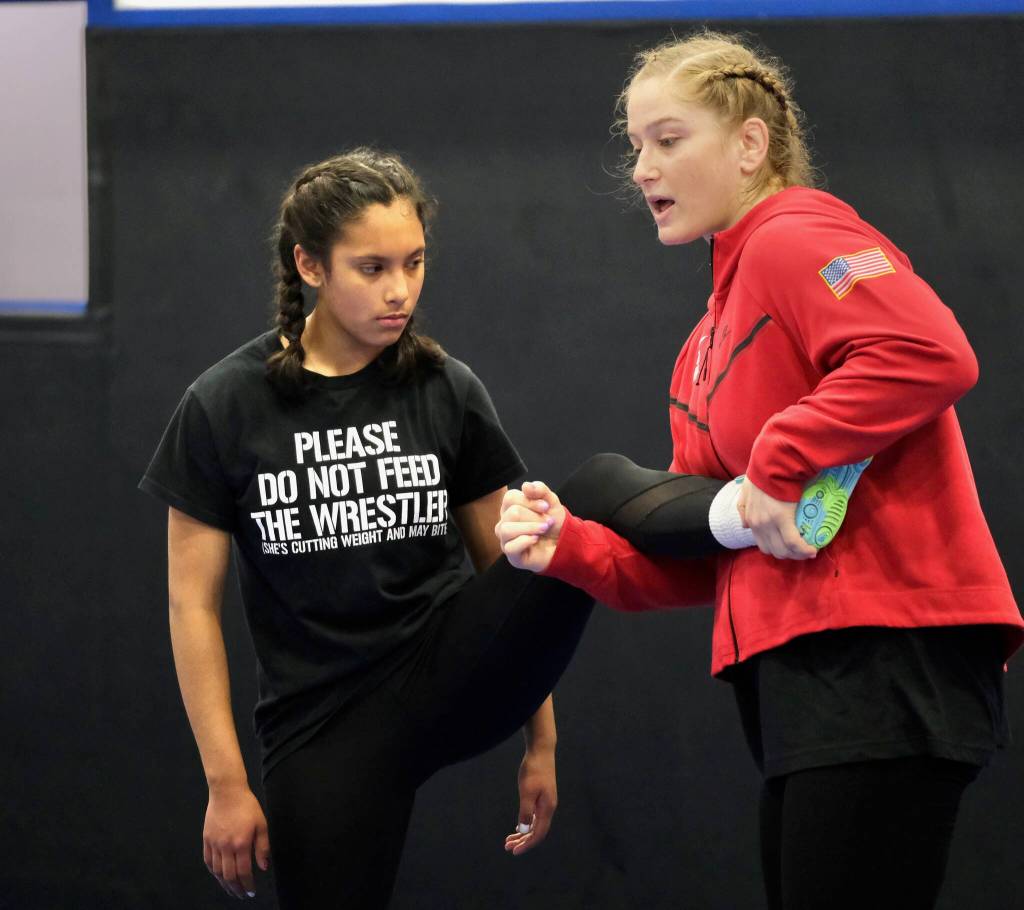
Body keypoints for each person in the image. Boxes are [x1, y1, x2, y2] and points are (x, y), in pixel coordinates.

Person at [140, 148, 790, 908]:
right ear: (310, 266)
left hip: (449, 672)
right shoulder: (223, 404)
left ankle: (750, 511)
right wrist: (224, 784)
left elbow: (516, 561)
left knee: (582, 494)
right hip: (324, 724)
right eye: (372, 268)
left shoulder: (444, 387)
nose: (401, 291)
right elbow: (191, 609)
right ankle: (746, 514)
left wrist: (540, 741)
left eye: (414, 263)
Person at [495, 31, 1024, 910]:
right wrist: (568, 551)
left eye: (669, 139)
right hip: (799, 681)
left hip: (884, 655)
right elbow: (706, 550)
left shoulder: (793, 233)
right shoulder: (702, 346)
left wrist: (780, 458)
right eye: (636, 146)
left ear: (750, 145)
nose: (642, 169)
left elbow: (931, 351)